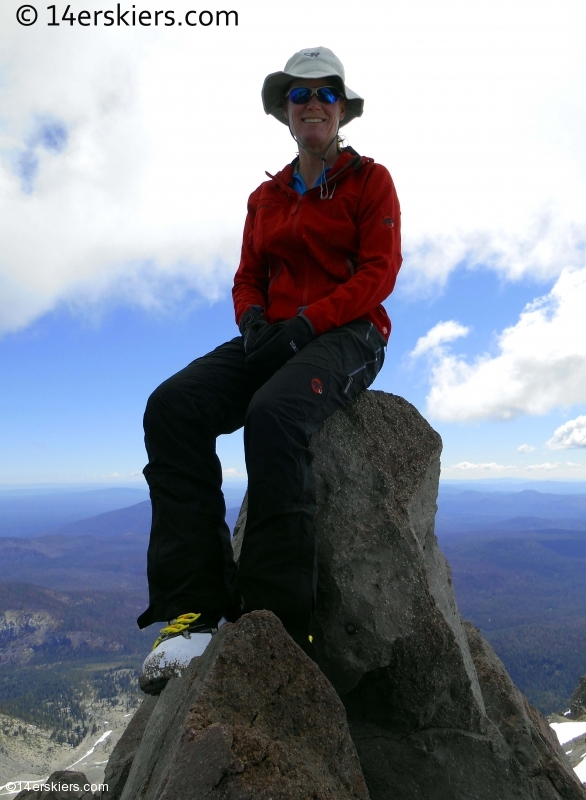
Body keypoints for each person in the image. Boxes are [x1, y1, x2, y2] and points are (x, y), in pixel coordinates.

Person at [138, 47, 402, 695]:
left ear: (342, 110)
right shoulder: (266, 196)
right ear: (284, 112)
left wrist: (311, 323)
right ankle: (193, 613)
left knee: (275, 417)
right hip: (277, 333)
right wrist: (252, 320)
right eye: (299, 93)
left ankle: (277, 622)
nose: (313, 102)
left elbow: (379, 273)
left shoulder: (371, 181)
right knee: (172, 407)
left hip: (349, 332)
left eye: (327, 92)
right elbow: (247, 275)